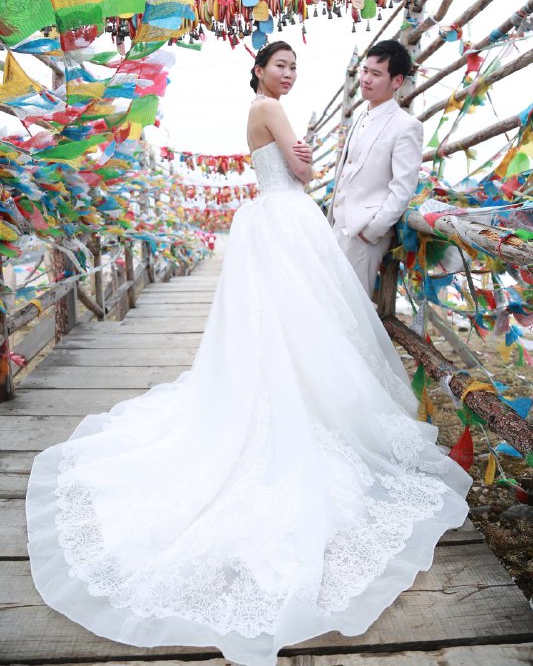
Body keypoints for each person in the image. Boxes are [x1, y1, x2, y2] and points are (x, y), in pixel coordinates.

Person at [26, 41, 471, 666]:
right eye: (280, 66)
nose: (289, 74)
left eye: (295, 67)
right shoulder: (270, 108)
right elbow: (304, 174)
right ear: (259, 70)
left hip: (276, 219)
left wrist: (302, 158)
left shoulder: (269, 110)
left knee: (287, 324)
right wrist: (303, 157)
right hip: (288, 217)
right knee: (306, 322)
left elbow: (306, 166)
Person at [327, 40, 424, 298]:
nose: (366, 79)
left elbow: (403, 188)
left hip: (363, 236)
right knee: (329, 304)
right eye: (365, 71)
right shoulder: (361, 117)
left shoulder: (406, 126)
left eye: (376, 74)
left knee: (352, 308)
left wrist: (372, 231)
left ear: (397, 81)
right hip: (337, 228)